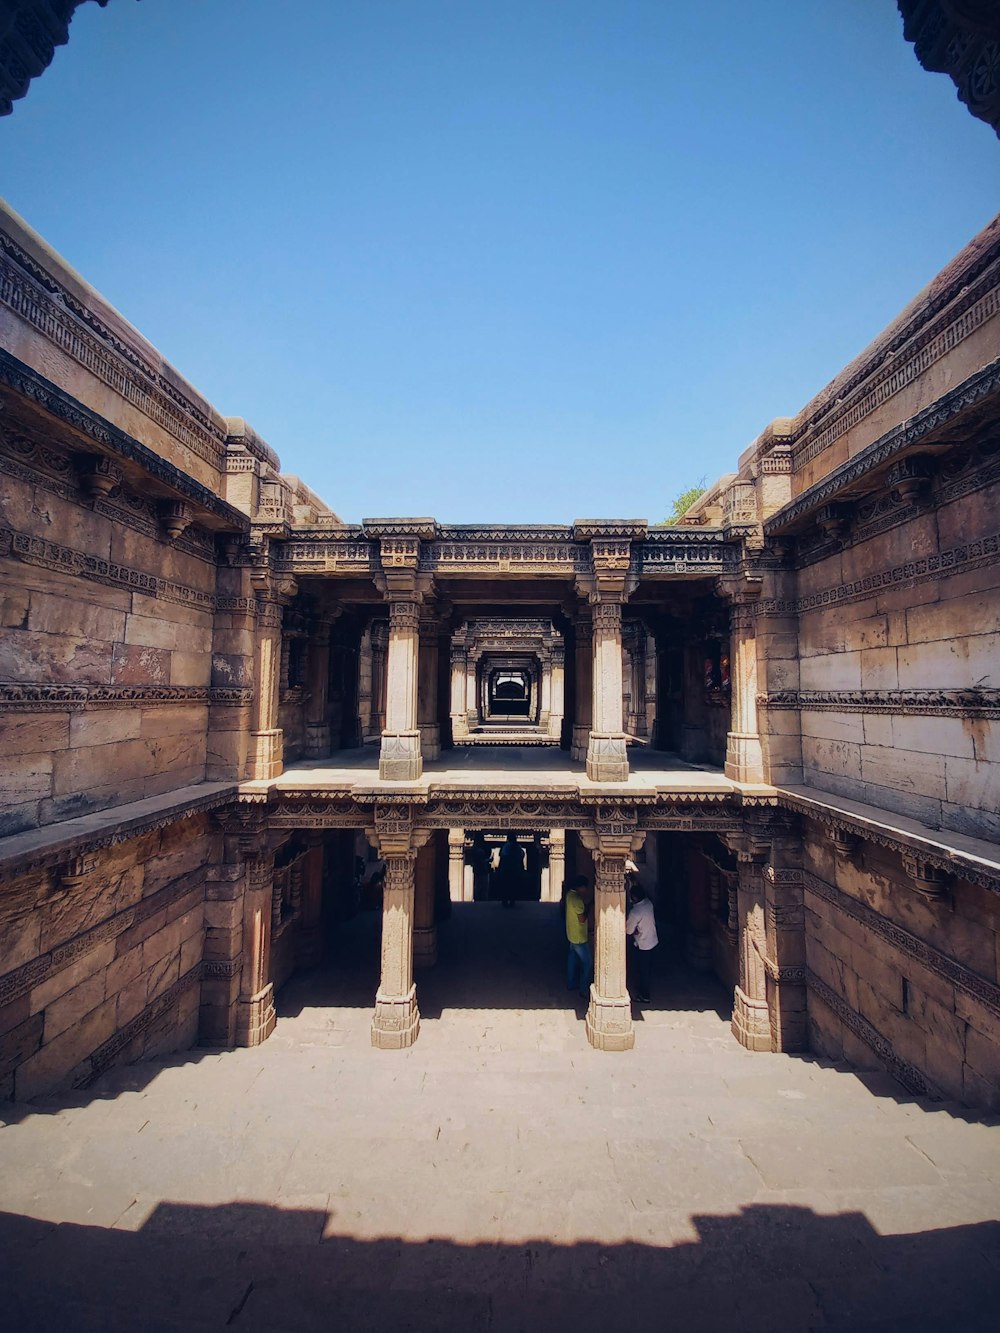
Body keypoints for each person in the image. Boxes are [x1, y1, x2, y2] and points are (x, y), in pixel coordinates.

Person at [626, 881, 658, 1004]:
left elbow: (629, 931)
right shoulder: (649, 904)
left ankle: (645, 995)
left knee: (642, 970)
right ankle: (644, 988)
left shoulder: (635, 912)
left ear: (634, 898)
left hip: (643, 944)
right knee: (647, 968)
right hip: (653, 940)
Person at [564, 873, 593, 998]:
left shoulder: (570, 895)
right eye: (585, 887)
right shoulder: (578, 900)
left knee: (572, 958)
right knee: (587, 963)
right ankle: (583, 989)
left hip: (571, 933)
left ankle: (570, 983)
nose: (586, 890)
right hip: (579, 937)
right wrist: (589, 908)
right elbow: (582, 919)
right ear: (580, 887)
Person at [497, 831, 525, 908]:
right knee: (513, 885)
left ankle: (505, 900)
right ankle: (512, 900)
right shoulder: (518, 846)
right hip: (515, 869)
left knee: (506, 885)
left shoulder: (506, 846)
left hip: (507, 869)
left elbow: (502, 856)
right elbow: (521, 856)